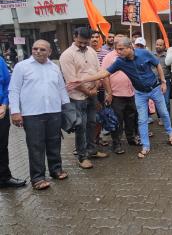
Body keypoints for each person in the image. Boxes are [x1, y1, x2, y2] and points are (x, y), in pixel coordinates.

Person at [67, 37, 172, 159]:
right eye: (117, 49)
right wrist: (82, 80)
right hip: (140, 93)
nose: (118, 52)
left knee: (163, 113)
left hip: (155, 89)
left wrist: (163, 82)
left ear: (130, 47)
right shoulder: (120, 62)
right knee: (142, 119)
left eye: (121, 49)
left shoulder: (144, 53)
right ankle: (146, 146)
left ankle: (170, 134)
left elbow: (157, 65)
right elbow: (104, 73)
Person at [9, 40, 69, 190]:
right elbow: (14, 90)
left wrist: (67, 109)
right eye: (35, 48)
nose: (38, 51)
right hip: (32, 114)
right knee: (36, 146)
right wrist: (15, 111)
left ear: (49, 52)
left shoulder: (54, 67)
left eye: (42, 49)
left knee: (54, 143)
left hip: (54, 111)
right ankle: (38, 178)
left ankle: (56, 170)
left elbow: (61, 89)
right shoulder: (21, 67)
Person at [60, 27, 108, 170]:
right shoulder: (67, 55)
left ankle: (92, 150)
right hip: (77, 97)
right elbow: (72, 81)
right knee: (81, 127)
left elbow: (98, 72)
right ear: (74, 37)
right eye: (80, 42)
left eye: (85, 43)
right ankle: (82, 157)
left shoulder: (91, 51)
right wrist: (89, 92)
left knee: (92, 124)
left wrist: (95, 88)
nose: (83, 45)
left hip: (92, 94)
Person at [102, 34, 138, 154]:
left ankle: (131, 139)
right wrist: (109, 92)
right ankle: (116, 144)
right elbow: (104, 76)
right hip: (116, 95)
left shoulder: (131, 56)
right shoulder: (109, 57)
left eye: (121, 44)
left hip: (131, 93)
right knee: (117, 121)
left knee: (131, 119)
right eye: (116, 44)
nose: (119, 47)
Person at [0, 56, 26, 189]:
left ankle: (4, 177)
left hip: (1, 110)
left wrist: (4, 104)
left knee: (2, 145)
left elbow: (6, 85)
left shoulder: (0, 61)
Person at [153, 39, 171, 122]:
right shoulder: (151, 55)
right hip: (155, 82)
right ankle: (160, 117)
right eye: (157, 44)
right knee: (157, 101)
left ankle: (167, 117)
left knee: (166, 101)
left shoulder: (168, 55)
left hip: (165, 80)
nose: (158, 46)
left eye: (160, 45)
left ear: (164, 46)